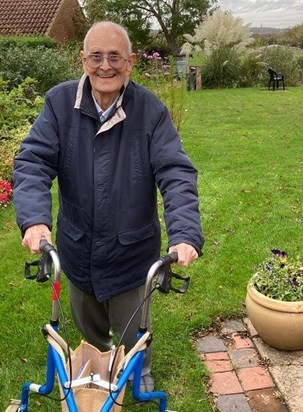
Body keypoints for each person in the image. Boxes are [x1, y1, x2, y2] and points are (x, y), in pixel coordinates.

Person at [13, 21, 204, 392]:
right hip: (78, 245)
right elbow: (33, 161)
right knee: (89, 327)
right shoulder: (59, 104)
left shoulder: (149, 110)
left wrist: (184, 234)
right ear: (82, 59)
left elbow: (176, 172)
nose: (105, 66)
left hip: (131, 251)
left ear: (130, 62)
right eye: (96, 56)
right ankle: (97, 364)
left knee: (134, 329)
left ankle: (138, 368)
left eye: (115, 56)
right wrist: (34, 220)